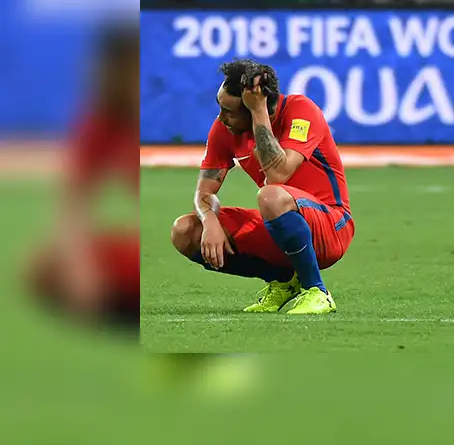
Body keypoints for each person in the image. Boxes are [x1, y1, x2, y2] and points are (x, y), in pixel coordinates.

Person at [169, 60, 353, 315]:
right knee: (185, 231)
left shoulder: (301, 111)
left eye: (229, 111)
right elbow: (205, 192)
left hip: (331, 225)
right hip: (279, 223)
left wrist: (258, 114)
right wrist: (209, 220)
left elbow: (278, 175)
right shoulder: (225, 129)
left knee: (270, 195)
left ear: (257, 105)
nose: (221, 118)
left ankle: (317, 291)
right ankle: (283, 281)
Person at [28, 23, 140, 330]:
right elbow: (74, 199)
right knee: (46, 268)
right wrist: (80, 264)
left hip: (189, 232)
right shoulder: (105, 119)